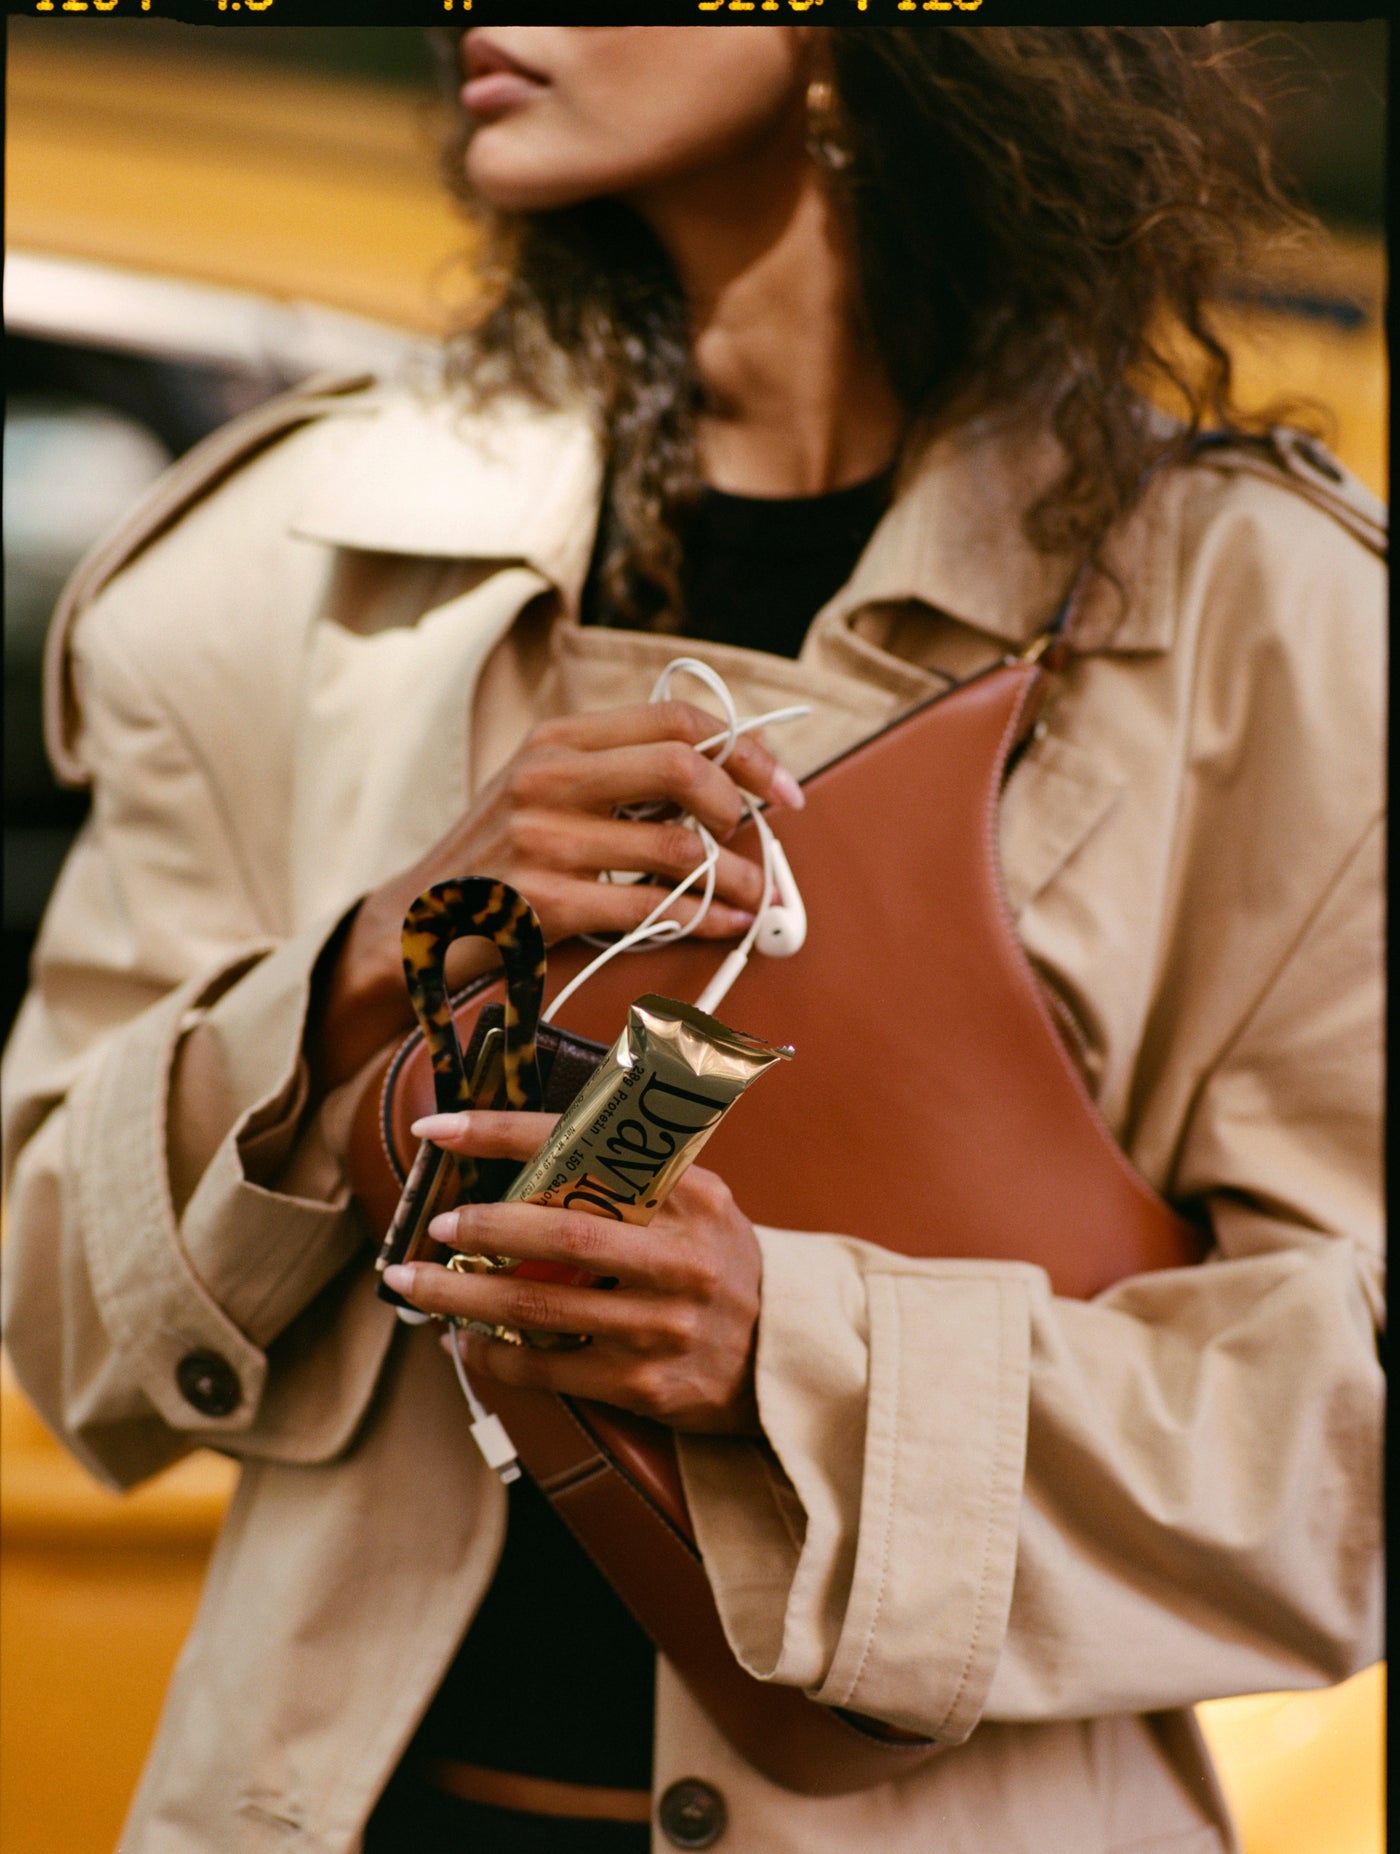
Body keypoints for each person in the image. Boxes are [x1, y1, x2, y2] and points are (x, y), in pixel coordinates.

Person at [1, 24, 1383, 1854]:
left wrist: (785, 1352)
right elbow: (61, 1323)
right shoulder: (290, 563)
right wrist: (364, 954)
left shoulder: (1262, 634)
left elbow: (1344, 1454)